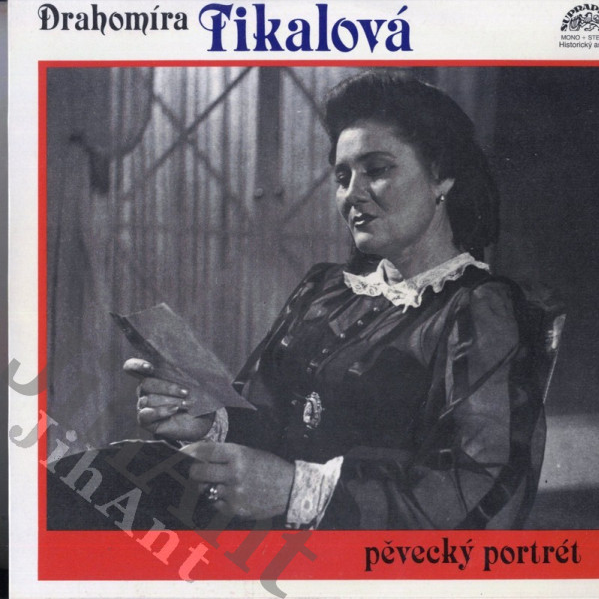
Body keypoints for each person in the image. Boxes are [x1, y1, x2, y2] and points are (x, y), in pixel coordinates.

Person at [125, 71, 546, 530]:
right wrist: (204, 420)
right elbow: (266, 418)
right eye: (342, 177)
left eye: (377, 170)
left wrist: (296, 492)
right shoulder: (324, 290)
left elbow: (480, 486)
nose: (352, 195)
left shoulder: (479, 307)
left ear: (440, 177)